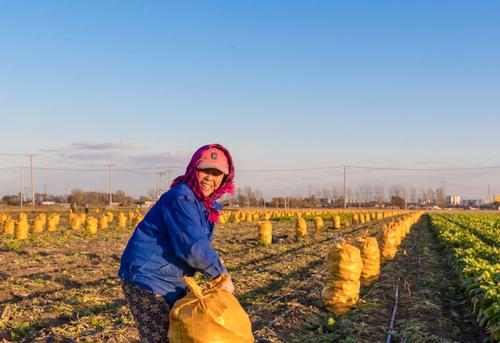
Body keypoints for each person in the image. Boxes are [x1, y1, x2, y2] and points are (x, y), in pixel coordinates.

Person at [118, 144, 235, 343]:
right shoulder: (180, 198)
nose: (210, 178)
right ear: (193, 169)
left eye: (216, 173)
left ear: (225, 178)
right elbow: (193, 246)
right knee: (163, 338)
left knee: (182, 334)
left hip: (173, 277)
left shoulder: (203, 204)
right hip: (148, 278)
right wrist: (220, 275)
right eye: (205, 170)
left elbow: (198, 243)